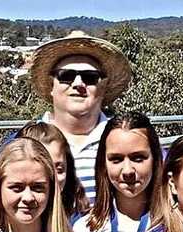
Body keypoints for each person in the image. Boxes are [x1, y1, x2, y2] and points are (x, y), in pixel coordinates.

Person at [21, 31, 134, 201]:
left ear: (102, 88)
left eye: (90, 78)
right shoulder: (22, 141)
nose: (78, 84)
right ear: (52, 85)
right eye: (66, 76)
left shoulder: (129, 138)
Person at [72, 112, 168, 232]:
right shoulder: (84, 231)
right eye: (116, 159)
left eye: (138, 158)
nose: (128, 171)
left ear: (155, 159)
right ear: (104, 164)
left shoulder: (174, 226)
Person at [20, 121, 90, 219]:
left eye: (59, 169)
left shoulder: (82, 224)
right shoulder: (2, 230)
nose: (52, 178)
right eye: (42, 170)